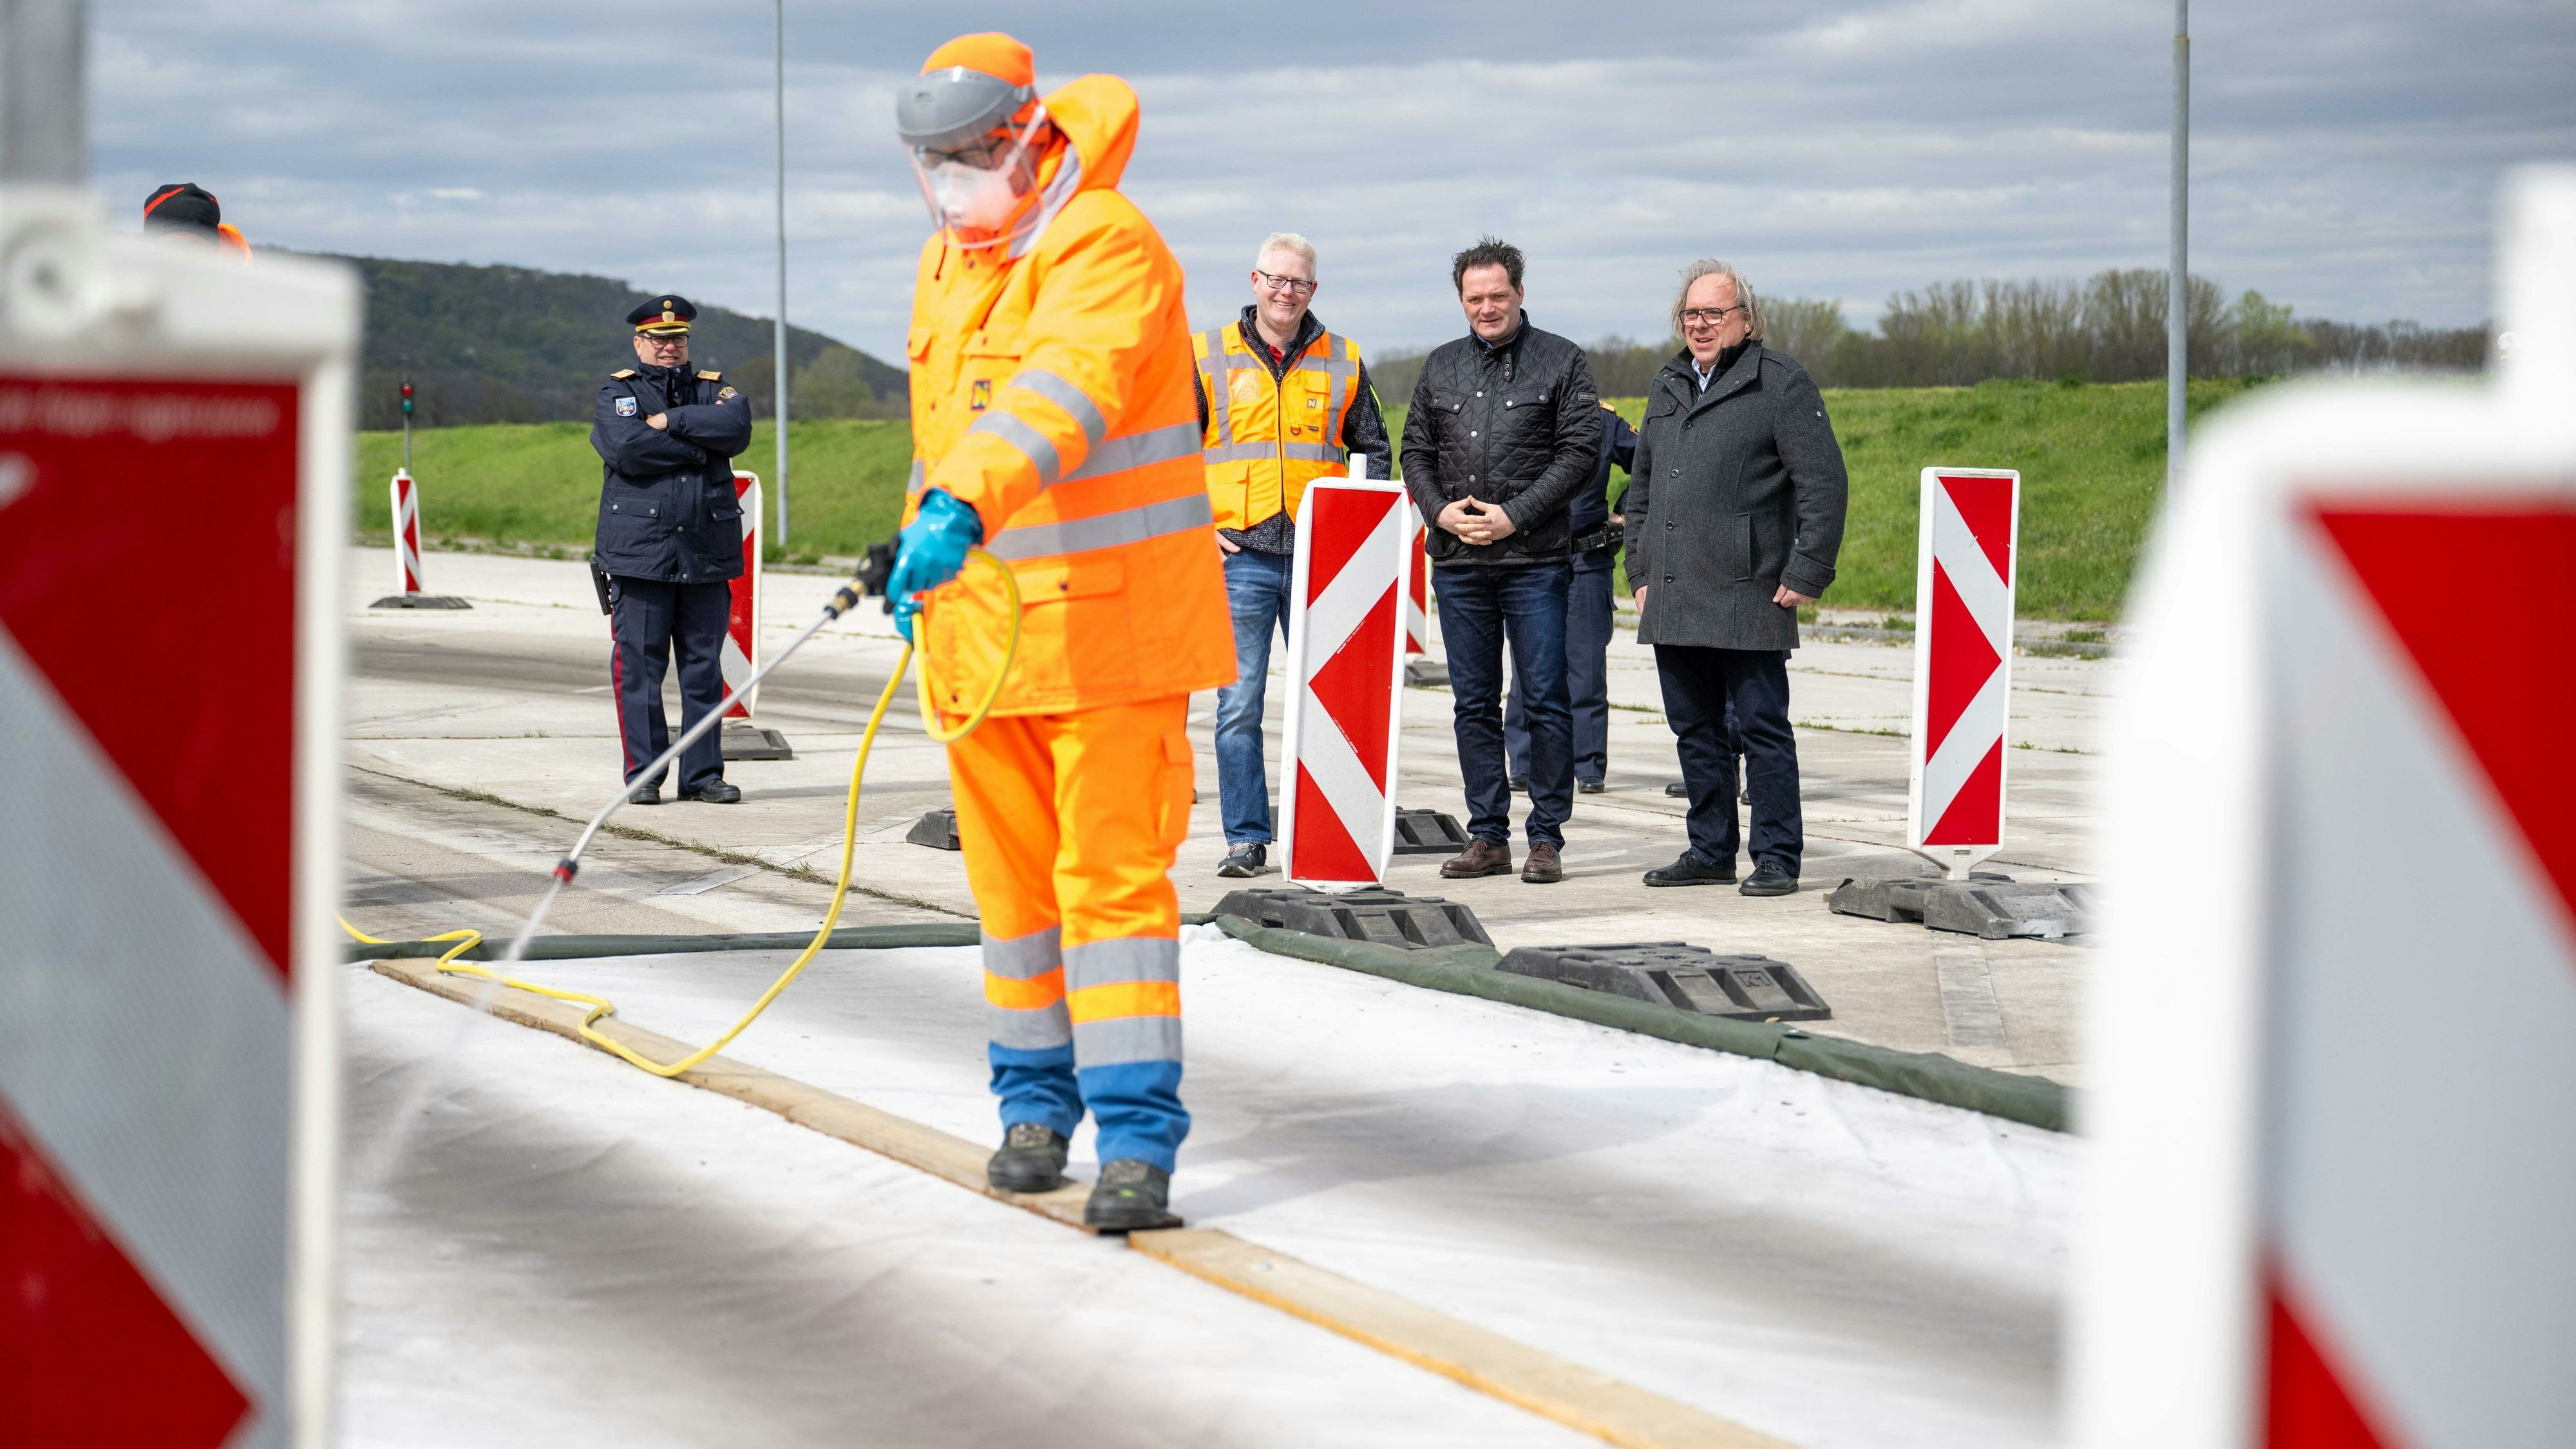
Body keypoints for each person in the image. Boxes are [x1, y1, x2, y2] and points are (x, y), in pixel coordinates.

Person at [885, 33, 1232, 1231]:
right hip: (986, 646)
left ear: (1028, 136)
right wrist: (922, 566)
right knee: (1013, 898)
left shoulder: (1104, 241)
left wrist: (960, 506)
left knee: (1110, 892)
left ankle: (1138, 1142)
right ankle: (1033, 1109)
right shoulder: (945, 259)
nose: (952, 186)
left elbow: (1062, 393)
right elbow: (944, 435)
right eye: (933, 166)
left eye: (970, 158)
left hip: (1110, 640)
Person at [1625, 260, 1848, 896]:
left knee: (1760, 730)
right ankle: (1710, 850)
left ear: (1745, 321)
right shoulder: (1666, 382)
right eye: (1690, 314)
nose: (1699, 325)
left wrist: (1808, 568)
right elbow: (1639, 488)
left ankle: (1775, 855)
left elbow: (1824, 482)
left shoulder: (1778, 382)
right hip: (1671, 590)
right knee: (1694, 730)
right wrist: (1638, 569)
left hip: (1750, 588)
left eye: (1713, 314)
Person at [1399, 236, 1602, 885]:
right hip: (1459, 564)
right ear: (1461, 300)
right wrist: (1439, 512)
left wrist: (1515, 515)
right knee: (1473, 703)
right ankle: (1487, 836)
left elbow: (1578, 454)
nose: (1486, 308)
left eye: (1497, 296)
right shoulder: (1439, 366)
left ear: (1519, 293)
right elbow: (1415, 453)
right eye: (1473, 298)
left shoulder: (1562, 361)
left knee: (1543, 698)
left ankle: (1545, 838)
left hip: (1536, 561)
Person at [1196, 232, 1392, 878]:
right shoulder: (1205, 357)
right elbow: (1163, 450)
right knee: (1238, 705)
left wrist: (1361, 544)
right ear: (1253, 281)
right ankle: (1246, 840)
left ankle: (1324, 840)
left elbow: (1373, 452)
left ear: (1314, 289)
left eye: (1299, 282)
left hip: (1322, 562)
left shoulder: (1344, 359)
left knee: (1329, 706)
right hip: (1241, 555)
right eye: (1276, 280)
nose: (1286, 292)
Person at [589, 295, 753, 806]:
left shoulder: (714, 389)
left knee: (705, 670)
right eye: (658, 340)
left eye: (677, 339)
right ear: (639, 343)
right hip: (642, 555)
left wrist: (670, 422)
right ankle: (646, 775)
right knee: (641, 670)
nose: (669, 347)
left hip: (705, 551)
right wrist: (701, 445)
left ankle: (702, 776)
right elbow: (628, 451)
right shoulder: (617, 393)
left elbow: (737, 429)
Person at [1504, 399, 1636, 793]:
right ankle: (1524, 763)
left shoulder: (1603, 420)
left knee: (1586, 666)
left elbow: (1655, 462)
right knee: (1530, 665)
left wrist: (1627, 511)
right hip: (1530, 559)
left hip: (1586, 560)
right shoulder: (1516, 412)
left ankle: (1588, 765)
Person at [142, 182, 251, 260]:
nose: (183, 258)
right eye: (172, 248)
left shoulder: (246, 289)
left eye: (195, 248)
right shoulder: (130, 287)